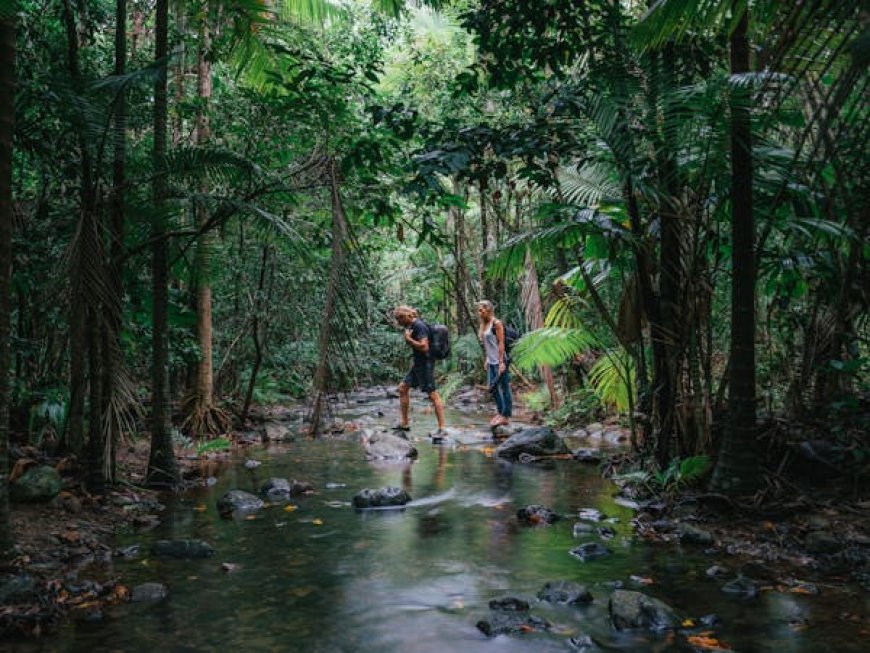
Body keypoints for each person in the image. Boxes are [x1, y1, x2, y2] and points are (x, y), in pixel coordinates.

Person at [393, 305, 447, 439]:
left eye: (399, 319)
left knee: (432, 394)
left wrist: (409, 339)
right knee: (402, 388)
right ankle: (405, 423)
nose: (399, 323)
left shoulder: (419, 326)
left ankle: (442, 428)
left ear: (406, 316)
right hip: (418, 365)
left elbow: (424, 346)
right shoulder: (411, 326)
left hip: (425, 364)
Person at [477, 300, 512, 427]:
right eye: (479, 310)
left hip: (500, 361)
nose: (479, 313)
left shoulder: (496, 323)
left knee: (504, 387)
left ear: (489, 310)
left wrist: (502, 362)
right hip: (491, 361)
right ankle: (500, 412)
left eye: (481, 310)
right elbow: (488, 344)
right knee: (492, 388)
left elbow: (501, 343)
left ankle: (506, 415)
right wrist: (487, 358)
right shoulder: (484, 325)